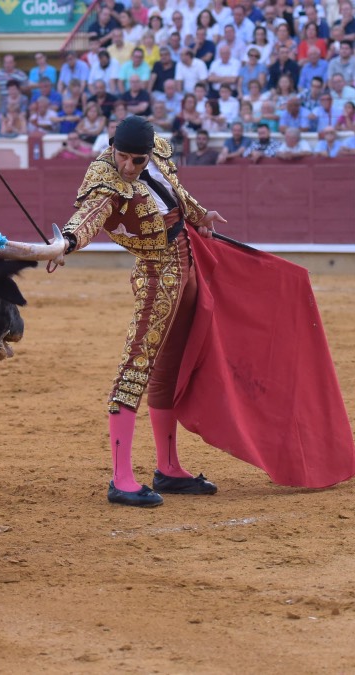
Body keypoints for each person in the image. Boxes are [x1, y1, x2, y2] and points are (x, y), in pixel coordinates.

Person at [59, 116, 226, 507]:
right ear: (111, 146)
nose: (129, 168)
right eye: (123, 157)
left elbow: (175, 192)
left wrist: (201, 215)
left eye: (137, 160)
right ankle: (121, 478)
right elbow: (89, 215)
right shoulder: (104, 177)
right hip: (156, 276)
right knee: (136, 366)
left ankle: (168, 467)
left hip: (186, 266)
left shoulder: (157, 156)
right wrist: (65, 243)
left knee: (169, 368)